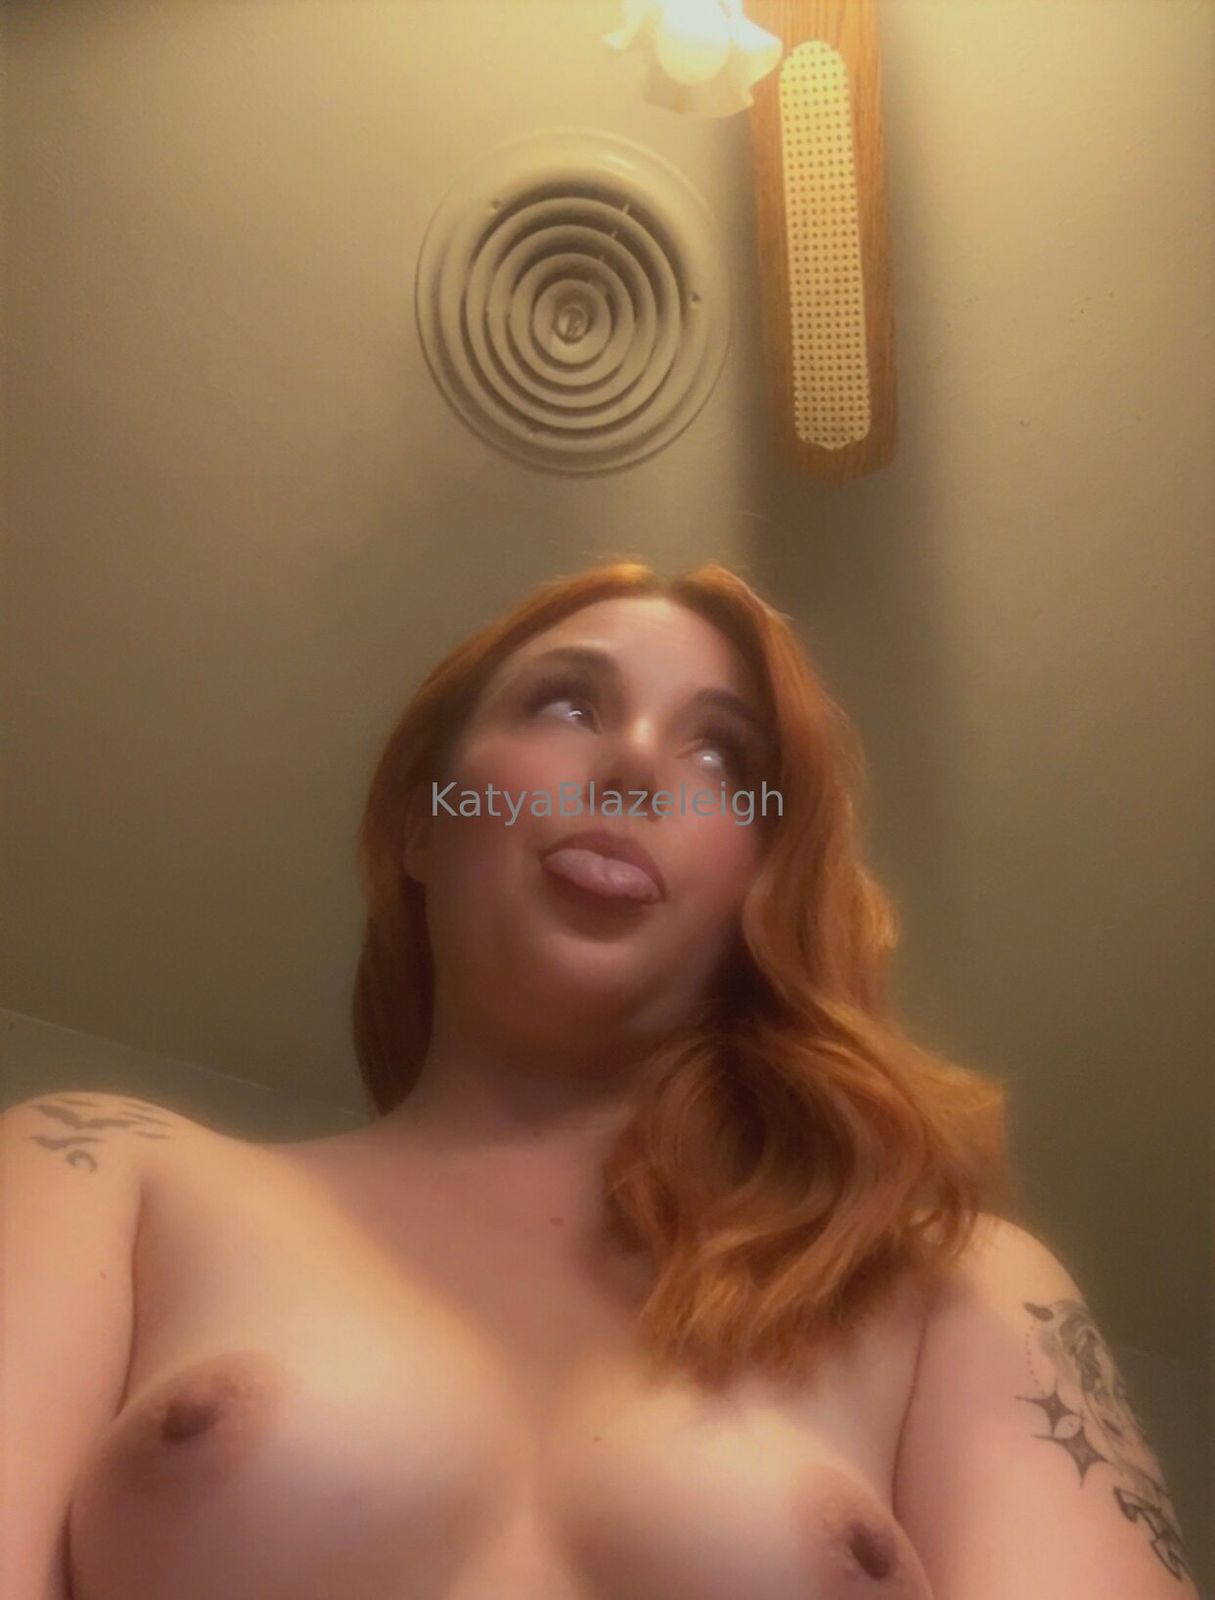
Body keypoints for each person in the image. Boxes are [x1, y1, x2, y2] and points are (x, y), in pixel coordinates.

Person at [1, 559, 1197, 1600]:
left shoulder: (952, 1292)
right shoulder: (102, 1171)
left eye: (723, 754)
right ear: (424, 822)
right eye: (568, 702)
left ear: (759, 889)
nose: (634, 763)